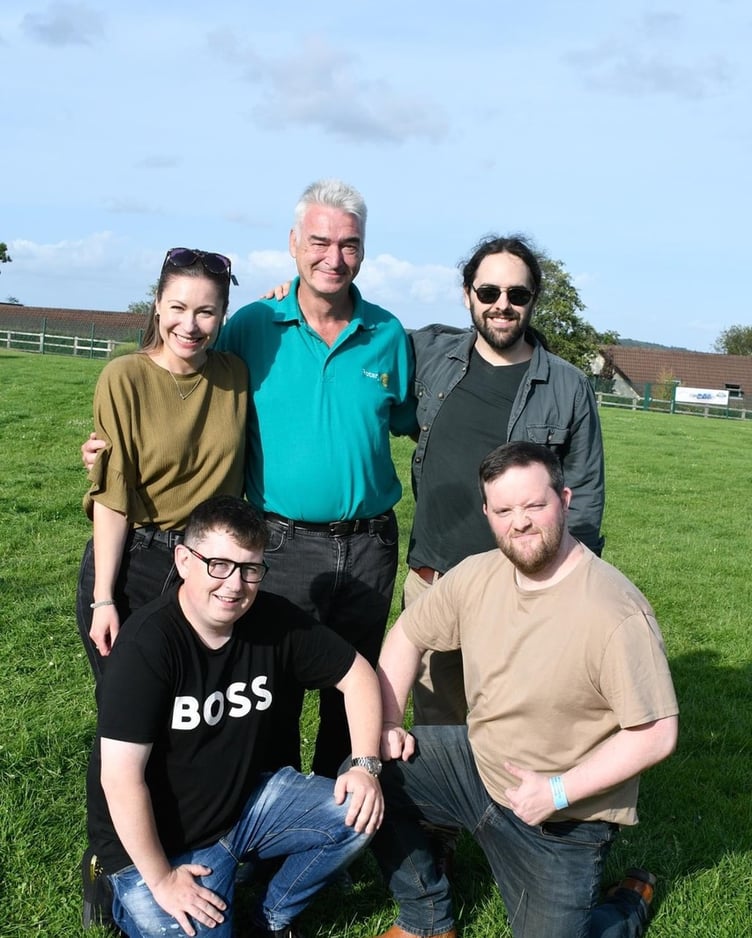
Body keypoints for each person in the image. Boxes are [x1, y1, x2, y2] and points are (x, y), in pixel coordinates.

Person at [371, 441, 679, 938]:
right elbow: (407, 634)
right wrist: (386, 724)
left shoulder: (614, 612)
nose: (520, 522)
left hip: (561, 819)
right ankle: (426, 921)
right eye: (504, 510)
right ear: (488, 513)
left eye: (535, 505)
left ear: (564, 498)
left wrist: (557, 791)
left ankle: (627, 904)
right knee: (365, 772)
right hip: (478, 766)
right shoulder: (477, 574)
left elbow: (657, 733)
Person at [86, 494, 384, 938]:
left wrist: (364, 765)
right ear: (184, 560)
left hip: (243, 809)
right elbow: (120, 780)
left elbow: (358, 675)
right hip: (159, 848)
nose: (235, 584)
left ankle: (271, 918)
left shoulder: (273, 619)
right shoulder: (147, 645)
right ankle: (115, 890)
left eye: (250, 569)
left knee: (359, 813)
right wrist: (164, 881)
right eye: (218, 565)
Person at [213, 178, 416, 778]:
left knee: (351, 689)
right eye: (320, 242)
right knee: (269, 685)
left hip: (369, 545)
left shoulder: (387, 335)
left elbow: (415, 420)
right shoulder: (252, 328)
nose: (334, 257)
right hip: (278, 543)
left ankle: (335, 821)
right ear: (294, 244)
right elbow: (191, 387)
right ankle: (267, 815)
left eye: (349, 245)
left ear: (364, 250)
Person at [407, 234, 605, 728]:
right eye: (489, 291)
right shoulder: (430, 356)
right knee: (437, 733)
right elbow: (356, 331)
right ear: (467, 293)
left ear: (533, 300)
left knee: (518, 733)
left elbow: (583, 500)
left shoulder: (567, 385)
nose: (502, 305)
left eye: (517, 295)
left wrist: (565, 598)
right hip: (433, 585)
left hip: (518, 593)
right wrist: (299, 294)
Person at [76, 247, 247, 682]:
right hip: (137, 562)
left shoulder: (236, 376)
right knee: (126, 717)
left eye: (206, 312)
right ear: (157, 305)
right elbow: (113, 495)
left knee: (194, 715)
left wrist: (282, 293)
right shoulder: (124, 377)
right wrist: (104, 599)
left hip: (210, 565)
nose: (189, 325)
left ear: (224, 315)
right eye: (178, 307)